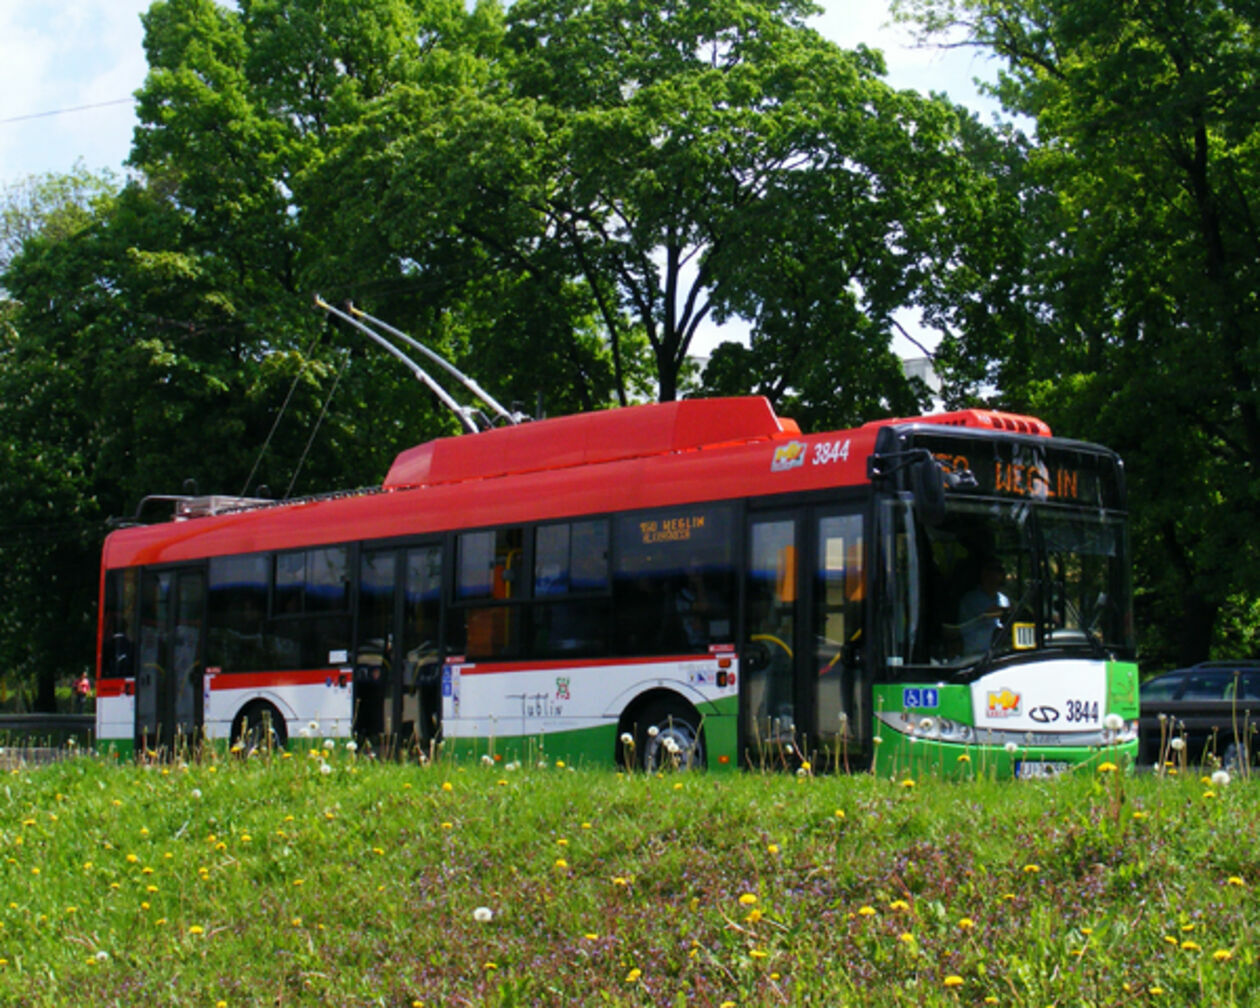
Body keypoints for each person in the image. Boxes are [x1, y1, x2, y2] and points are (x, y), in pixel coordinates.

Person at [958, 556, 1010, 654]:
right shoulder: (970, 599)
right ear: (985, 573)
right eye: (998, 570)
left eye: (1002, 570)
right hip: (974, 657)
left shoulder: (1004, 600)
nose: (1003, 574)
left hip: (998, 655)